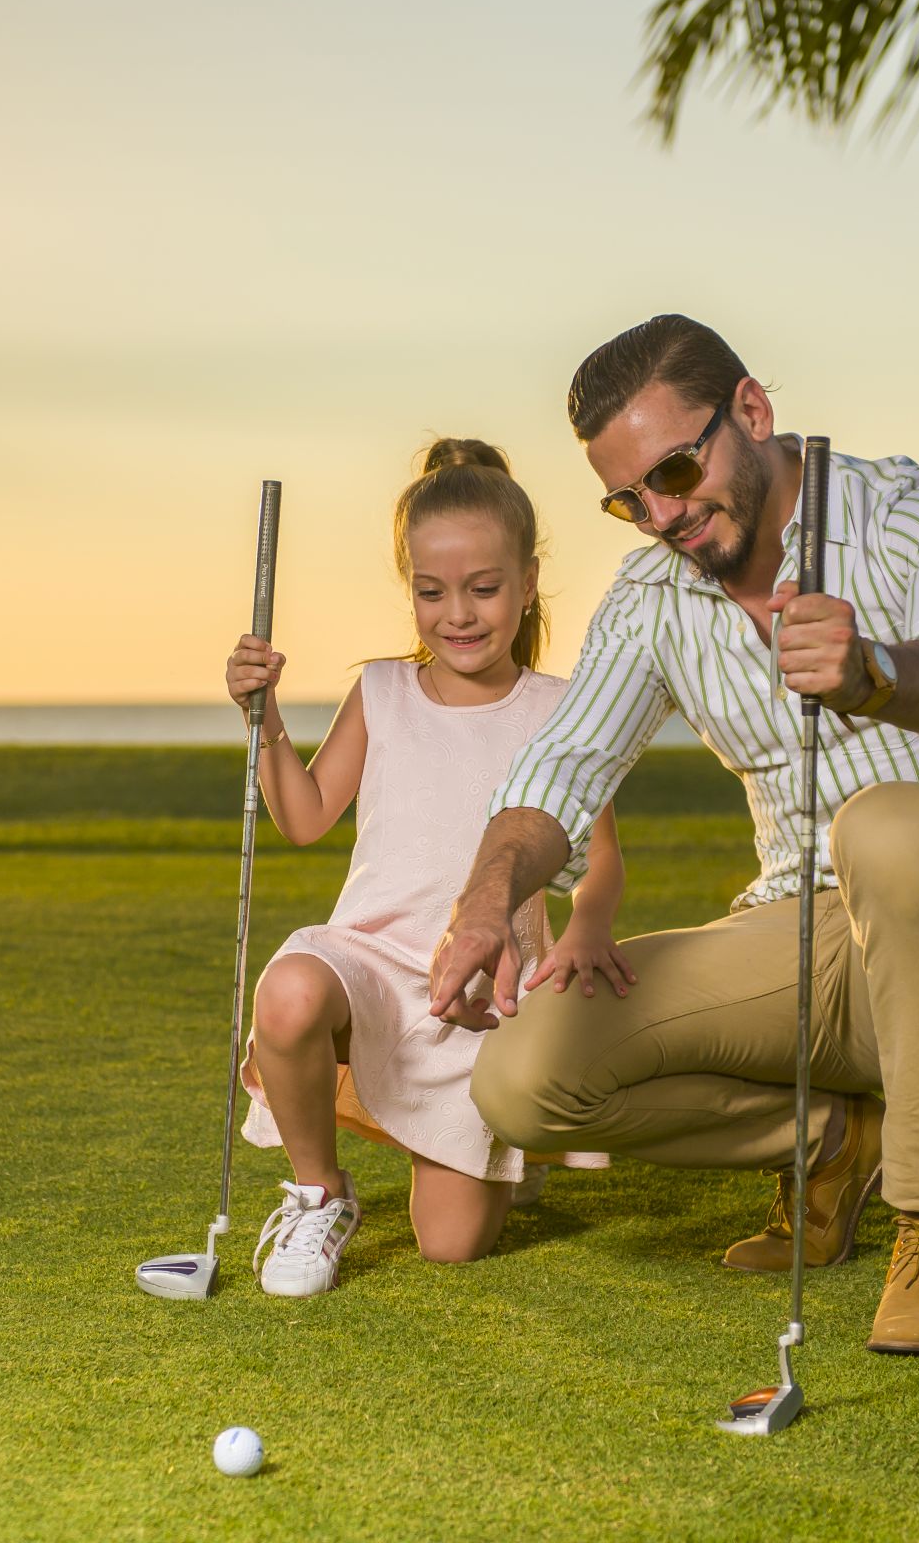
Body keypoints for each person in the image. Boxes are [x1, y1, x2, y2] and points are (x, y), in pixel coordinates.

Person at [428, 315, 919, 1354]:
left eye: (673, 469)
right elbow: (563, 767)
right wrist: (487, 896)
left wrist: (869, 672)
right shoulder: (654, 596)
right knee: (521, 1077)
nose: (660, 514)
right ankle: (839, 1140)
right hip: (806, 938)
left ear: (750, 411)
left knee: (885, 821)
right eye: (629, 498)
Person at [228, 439, 631, 1297]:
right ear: (407, 585)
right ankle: (318, 1192)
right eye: (431, 591)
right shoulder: (380, 691)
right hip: (368, 964)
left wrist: (586, 929)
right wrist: (263, 721)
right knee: (290, 991)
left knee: (451, 1247)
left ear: (528, 582)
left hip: (483, 997)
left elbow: (598, 858)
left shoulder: (561, 708)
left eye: (485, 590)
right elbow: (303, 818)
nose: (459, 614)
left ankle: (489, 1147)